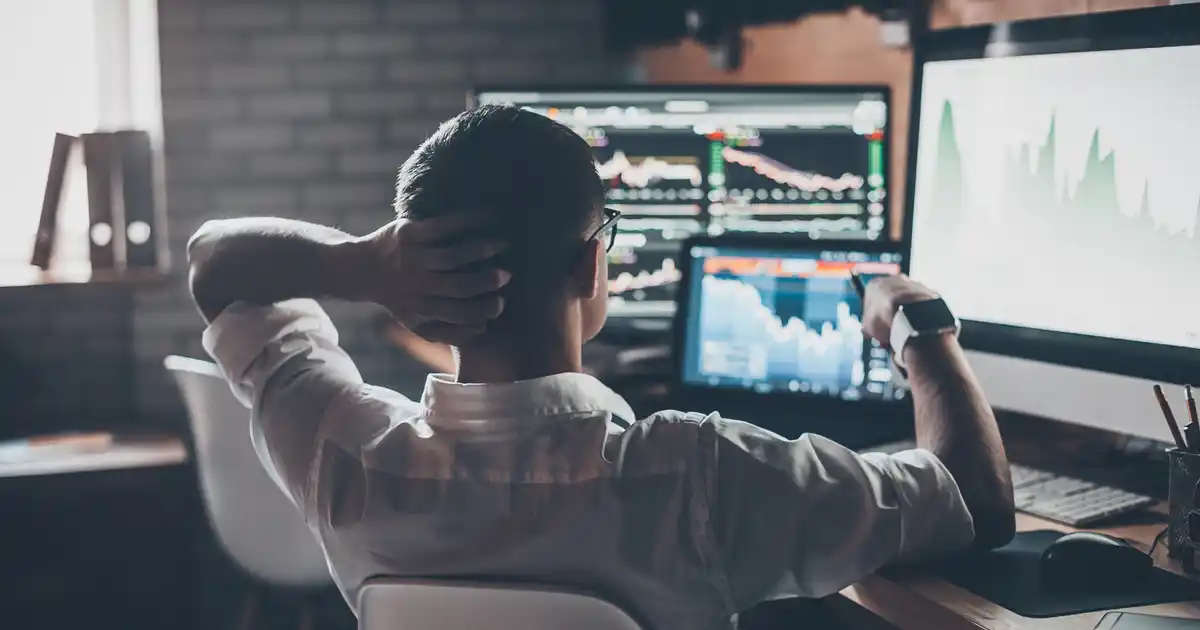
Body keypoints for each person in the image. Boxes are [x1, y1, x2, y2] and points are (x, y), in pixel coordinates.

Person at [188, 104, 1014, 630]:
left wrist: (359, 268)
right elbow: (976, 501)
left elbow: (215, 265)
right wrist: (919, 326)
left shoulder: (342, 452)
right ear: (592, 267)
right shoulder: (701, 471)